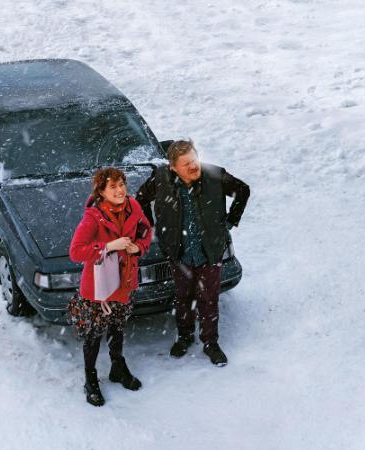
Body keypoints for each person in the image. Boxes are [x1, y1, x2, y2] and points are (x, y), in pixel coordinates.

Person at [136, 139, 250, 366]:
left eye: (194, 159)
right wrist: (153, 227)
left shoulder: (215, 176)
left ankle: (211, 343)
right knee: (183, 297)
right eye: (186, 163)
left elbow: (242, 190)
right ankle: (185, 337)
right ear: (173, 167)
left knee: (208, 298)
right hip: (179, 253)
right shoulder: (160, 179)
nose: (193, 166)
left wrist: (228, 223)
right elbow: (140, 200)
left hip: (209, 251)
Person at [69, 167, 152, 407]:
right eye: (113, 187)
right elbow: (76, 252)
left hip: (124, 282)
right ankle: (90, 378)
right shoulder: (92, 217)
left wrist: (139, 246)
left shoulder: (133, 206)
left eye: (122, 184)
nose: (120, 190)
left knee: (118, 327)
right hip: (100, 289)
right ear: (101, 192)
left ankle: (117, 367)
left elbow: (146, 230)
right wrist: (109, 246)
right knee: (94, 335)